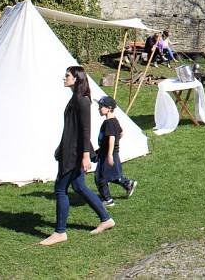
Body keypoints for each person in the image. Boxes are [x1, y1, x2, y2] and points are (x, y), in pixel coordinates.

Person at [40, 66, 115, 246]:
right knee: (79, 186)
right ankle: (106, 219)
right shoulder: (75, 98)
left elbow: (85, 129)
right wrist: (61, 146)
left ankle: (60, 232)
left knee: (60, 189)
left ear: (77, 78)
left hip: (75, 152)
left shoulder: (82, 101)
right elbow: (71, 128)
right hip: (69, 148)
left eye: (67, 75)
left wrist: (85, 155)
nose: (64, 78)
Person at [94, 96, 138, 207]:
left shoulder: (109, 122)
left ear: (109, 108)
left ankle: (108, 200)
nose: (99, 109)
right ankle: (128, 184)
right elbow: (121, 133)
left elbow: (112, 137)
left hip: (108, 153)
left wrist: (109, 154)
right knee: (111, 174)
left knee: (100, 177)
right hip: (107, 151)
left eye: (101, 107)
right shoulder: (114, 120)